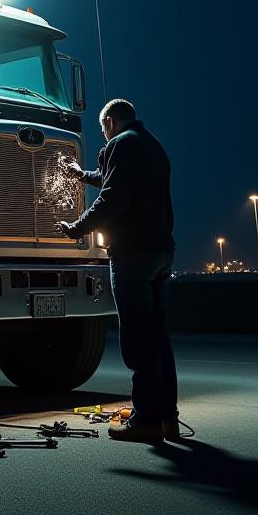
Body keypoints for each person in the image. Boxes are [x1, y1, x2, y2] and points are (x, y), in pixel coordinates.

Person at [58, 98, 179, 442]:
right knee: (159, 338)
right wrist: (82, 175)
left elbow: (113, 197)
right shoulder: (153, 145)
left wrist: (77, 228)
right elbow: (117, 180)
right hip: (161, 253)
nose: (103, 136)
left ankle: (144, 421)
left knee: (138, 339)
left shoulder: (120, 145)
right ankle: (168, 418)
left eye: (102, 129)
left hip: (132, 255)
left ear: (110, 121)